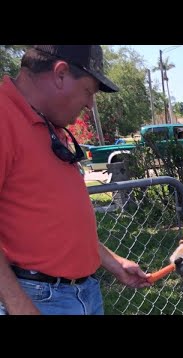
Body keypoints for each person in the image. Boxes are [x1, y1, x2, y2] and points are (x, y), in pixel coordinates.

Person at [0, 45, 152, 315]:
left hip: (84, 292)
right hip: (37, 298)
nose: (90, 104)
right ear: (60, 74)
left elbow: (56, 220)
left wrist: (114, 263)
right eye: (88, 91)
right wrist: (18, 304)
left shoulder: (48, 124)